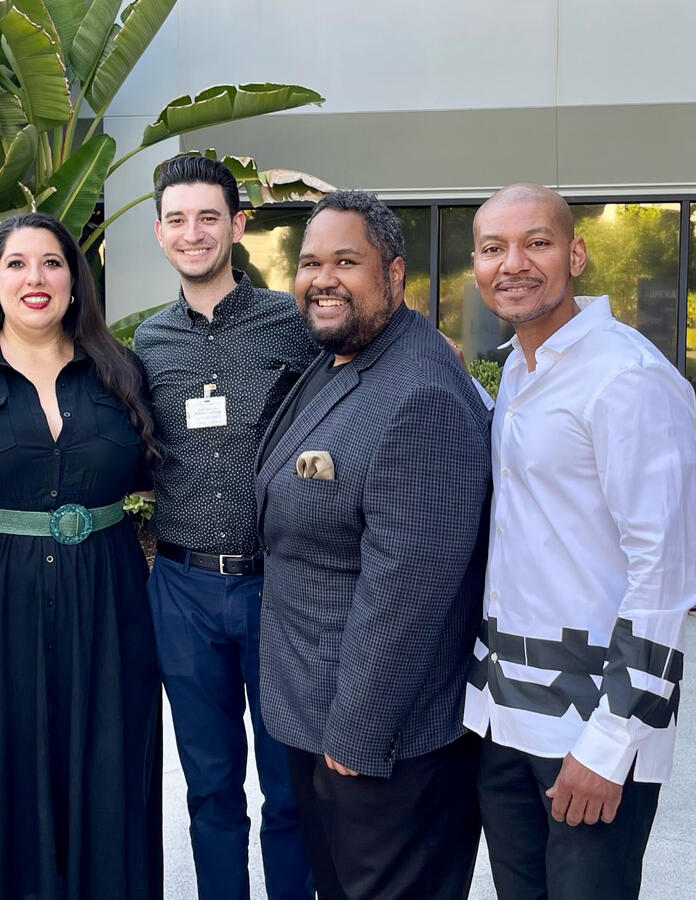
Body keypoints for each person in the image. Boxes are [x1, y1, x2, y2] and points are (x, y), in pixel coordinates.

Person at [0, 212, 163, 900]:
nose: (35, 278)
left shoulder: (121, 370)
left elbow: (175, 473)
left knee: (107, 769)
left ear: (75, 282)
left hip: (107, 606)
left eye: (52, 263)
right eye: (16, 263)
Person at [462, 184, 696, 900]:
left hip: (590, 733)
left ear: (576, 255)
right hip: (505, 722)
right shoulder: (519, 368)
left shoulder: (629, 377)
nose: (513, 264)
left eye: (536, 243)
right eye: (493, 248)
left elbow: (666, 577)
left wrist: (611, 743)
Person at [255, 190, 490, 900]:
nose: (322, 279)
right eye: (310, 263)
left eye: (345, 262)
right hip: (320, 716)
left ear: (393, 274)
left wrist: (356, 733)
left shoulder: (420, 393)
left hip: (382, 741)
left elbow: (408, 591)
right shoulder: (342, 357)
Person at [132, 155, 318, 900]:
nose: (193, 233)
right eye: (177, 219)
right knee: (209, 787)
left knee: (289, 785)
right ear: (159, 232)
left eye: (208, 217)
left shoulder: (292, 325)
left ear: (238, 226)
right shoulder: (148, 342)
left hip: (279, 587)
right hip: (181, 589)